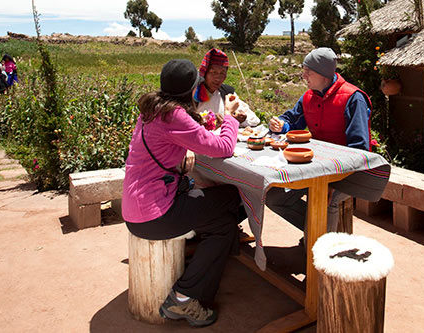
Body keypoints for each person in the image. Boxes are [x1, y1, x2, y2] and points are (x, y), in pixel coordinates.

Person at [122, 59, 242, 327]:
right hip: (154, 216)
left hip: (137, 208)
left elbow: (189, 135)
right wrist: (231, 117)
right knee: (232, 199)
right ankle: (185, 296)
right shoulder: (174, 115)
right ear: (191, 88)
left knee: (223, 220)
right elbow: (223, 148)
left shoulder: (153, 110)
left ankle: (201, 271)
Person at [267, 47, 372, 233]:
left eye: (308, 71)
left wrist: (332, 182)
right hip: (316, 168)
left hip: (349, 172)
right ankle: (314, 233)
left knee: (325, 200)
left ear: (323, 74)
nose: (303, 75)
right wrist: (280, 124)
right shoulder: (308, 96)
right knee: (275, 198)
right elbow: (292, 120)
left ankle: (320, 254)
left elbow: (359, 149)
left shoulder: (353, 98)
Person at [193, 48, 260, 128]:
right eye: (213, 72)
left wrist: (240, 120)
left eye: (222, 73)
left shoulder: (227, 94)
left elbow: (254, 120)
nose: (218, 78)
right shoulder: (194, 95)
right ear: (205, 73)